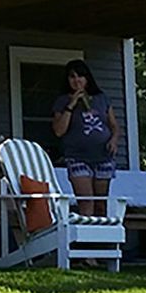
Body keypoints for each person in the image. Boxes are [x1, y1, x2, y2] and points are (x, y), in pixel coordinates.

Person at [51, 60, 121, 216]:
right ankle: (85, 240)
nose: (77, 80)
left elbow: (114, 126)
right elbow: (59, 131)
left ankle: (101, 239)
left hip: (103, 156)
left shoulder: (101, 98)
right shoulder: (62, 101)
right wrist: (72, 104)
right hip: (77, 157)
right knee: (86, 201)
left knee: (101, 204)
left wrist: (114, 140)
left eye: (80, 76)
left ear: (87, 78)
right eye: (72, 77)